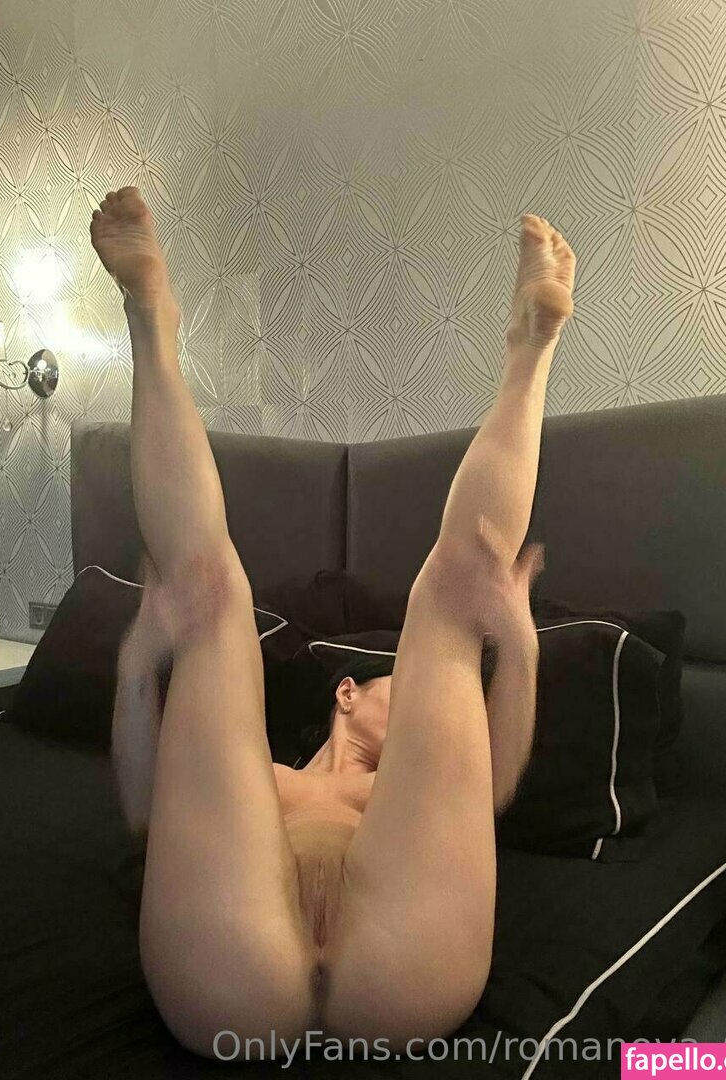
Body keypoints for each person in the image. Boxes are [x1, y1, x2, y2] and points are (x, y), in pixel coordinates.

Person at [95, 187, 575, 1060]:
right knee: (209, 592)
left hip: (380, 954)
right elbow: (144, 806)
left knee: (457, 592)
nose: (414, 693)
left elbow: (494, 790)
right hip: (255, 953)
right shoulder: (266, 779)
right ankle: (148, 317)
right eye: (389, 679)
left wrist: (520, 648)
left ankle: (531, 350)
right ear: (345, 692)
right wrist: (138, 659)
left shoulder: (390, 796)